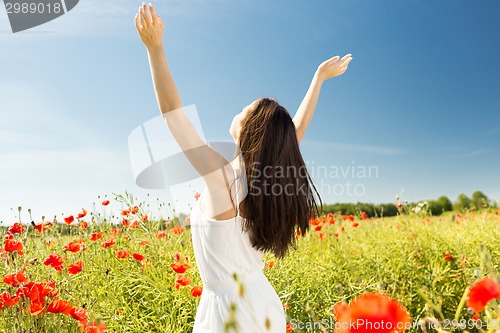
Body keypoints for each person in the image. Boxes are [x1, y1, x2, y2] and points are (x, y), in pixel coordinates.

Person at [135, 3, 353, 332]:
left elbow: (172, 113)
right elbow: (295, 132)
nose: (238, 110)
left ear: (251, 128)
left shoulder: (223, 179)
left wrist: (155, 48)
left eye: (245, 108)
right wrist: (318, 79)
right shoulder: (265, 180)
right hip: (260, 300)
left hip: (230, 314)